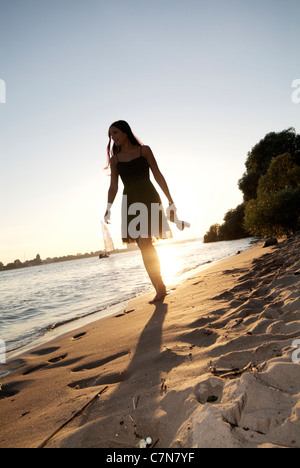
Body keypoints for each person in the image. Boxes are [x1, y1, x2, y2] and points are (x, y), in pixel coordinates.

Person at [104, 120, 179, 303]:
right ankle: (159, 287)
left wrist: (170, 199)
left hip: (148, 197)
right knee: (143, 245)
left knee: (146, 244)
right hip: (130, 203)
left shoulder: (144, 151)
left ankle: (160, 288)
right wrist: (108, 208)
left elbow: (157, 174)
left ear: (125, 132)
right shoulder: (116, 160)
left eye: (115, 133)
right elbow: (113, 186)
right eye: (111, 135)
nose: (113, 138)